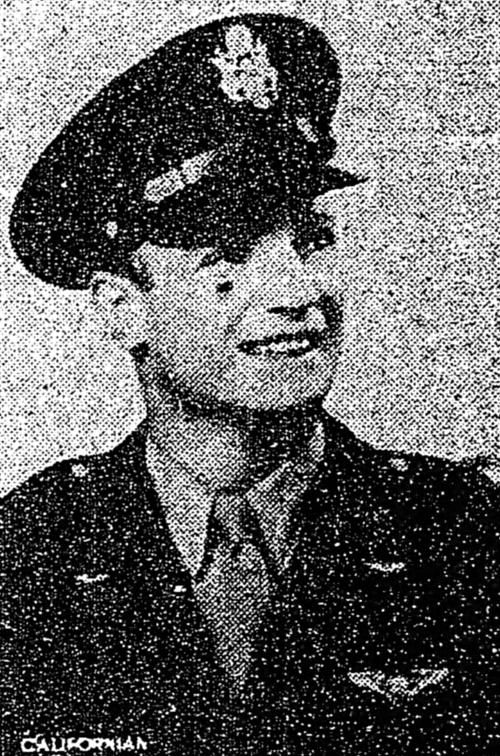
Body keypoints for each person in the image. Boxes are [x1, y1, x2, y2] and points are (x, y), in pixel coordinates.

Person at [1, 13, 499, 756]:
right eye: (230, 254)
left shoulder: (466, 532)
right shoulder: (26, 551)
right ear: (122, 307)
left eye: (312, 240)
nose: (297, 289)